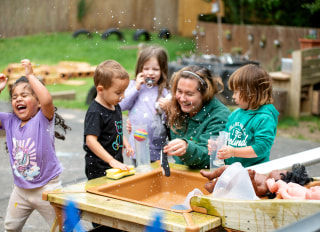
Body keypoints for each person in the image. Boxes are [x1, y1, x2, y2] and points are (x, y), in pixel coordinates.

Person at [0, 59, 71, 231]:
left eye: (25, 95)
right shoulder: (9, 121)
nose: (18, 99)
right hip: (21, 190)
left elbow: (47, 101)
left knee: (65, 228)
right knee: (10, 227)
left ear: (37, 102)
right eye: (15, 97)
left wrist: (30, 76)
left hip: (47, 188)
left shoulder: (43, 119)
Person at [163, 65, 231, 169]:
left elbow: (208, 157)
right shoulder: (176, 108)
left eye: (189, 94)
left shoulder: (219, 116)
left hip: (206, 178)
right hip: (180, 173)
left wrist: (187, 148)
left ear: (204, 94)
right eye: (179, 91)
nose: (182, 98)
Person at [214, 64, 279, 168]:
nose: (233, 97)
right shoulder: (235, 114)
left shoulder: (264, 118)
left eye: (236, 92)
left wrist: (233, 152)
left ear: (251, 92)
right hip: (233, 169)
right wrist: (218, 144)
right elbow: (225, 136)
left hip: (255, 171)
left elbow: (261, 148)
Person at [83, 60, 134, 181]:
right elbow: (90, 141)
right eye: (118, 92)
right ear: (100, 89)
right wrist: (111, 160)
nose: (123, 96)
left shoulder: (115, 106)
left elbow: (116, 129)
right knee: (101, 197)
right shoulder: (95, 112)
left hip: (115, 164)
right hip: (99, 168)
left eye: (124, 91)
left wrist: (125, 142)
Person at [120, 45, 170, 163]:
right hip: (137, 146)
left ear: (163, 70)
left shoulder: (165, 92)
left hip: (157, 148)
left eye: (156, 69)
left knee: (157, 179)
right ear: (140, 69)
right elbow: (121, 106)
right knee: (140, 177)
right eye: (146, 69)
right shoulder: (134, 86)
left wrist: (169, 107)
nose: (150, 73)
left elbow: (169, 121)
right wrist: (136, 88)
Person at [200, 163, 314, 198]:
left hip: (240, 185)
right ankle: (211, 175)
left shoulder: (266, 188)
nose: (276, 169)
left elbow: (255, 192)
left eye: (280, 172)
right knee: (228, 168)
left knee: (226, 178)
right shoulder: (266, 178)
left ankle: (213, 187)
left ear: (279, 180)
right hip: (241, 177)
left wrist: (251, 178)